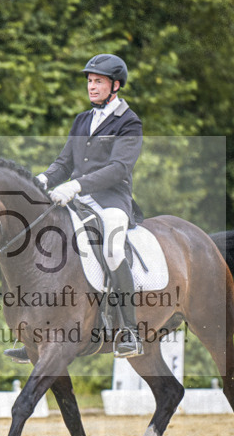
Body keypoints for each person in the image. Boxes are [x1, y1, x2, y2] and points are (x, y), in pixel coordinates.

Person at [8, 54, 144, 360]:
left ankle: (131, 332)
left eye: (98, 82)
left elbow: (119, 168)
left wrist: (75, 185)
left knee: (113, 250)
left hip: (112, 201)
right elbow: (64, 163)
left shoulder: (129, 122)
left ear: (115, 85)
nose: (91, 87)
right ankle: (35, 333)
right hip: (79, 199)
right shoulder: (82, 120)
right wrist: (41, 180)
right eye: (90, 81)